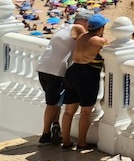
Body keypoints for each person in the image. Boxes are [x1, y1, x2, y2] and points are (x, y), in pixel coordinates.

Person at [35, 9, 92, 144]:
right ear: (84, 22)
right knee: (52, 103)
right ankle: (45, 134)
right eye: (89, 24)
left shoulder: (64, 27)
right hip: (54, 71)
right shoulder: (78, 28)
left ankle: (55, 126)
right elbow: (88, 42)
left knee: (56, 101)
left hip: (44, 67)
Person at [60, 14, 109, 150]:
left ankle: (66, 141)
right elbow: (109, 47)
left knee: (68, 111)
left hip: (72, 72)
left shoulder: (81, 37)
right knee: (86, 111)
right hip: (87, 75)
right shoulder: (99, 41)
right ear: (100, 29)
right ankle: (82, 142)